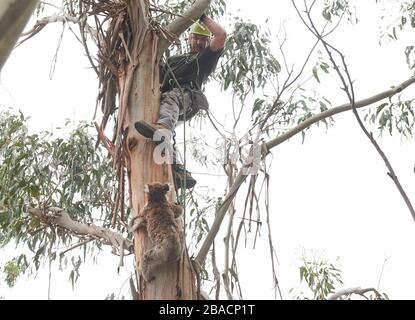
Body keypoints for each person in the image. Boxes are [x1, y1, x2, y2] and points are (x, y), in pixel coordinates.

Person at [134, 14, 227, 189]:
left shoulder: (206, 59)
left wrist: (202, 17)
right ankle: (177, 169)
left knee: (171, 101)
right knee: (163, 113)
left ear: (207, 42)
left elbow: (221, 35)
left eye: (203, 39)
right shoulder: (173, 60)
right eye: (196, 38)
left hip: (187, 97)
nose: (199, 42)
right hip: (168, 103)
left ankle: (162, 130)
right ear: (189, 38)